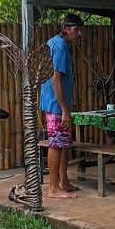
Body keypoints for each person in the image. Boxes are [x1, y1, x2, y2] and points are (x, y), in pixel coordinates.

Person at [39, 13, 83, 198]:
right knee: (56, 144)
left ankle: (63, 181)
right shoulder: (61, 47)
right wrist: (64, 109)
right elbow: (56, 80)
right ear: (65, 29)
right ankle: (53, 188)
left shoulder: (55, 43)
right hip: (56, 104)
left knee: (64, 143)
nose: (79, 34)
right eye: (76, 29)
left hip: (55, 102)